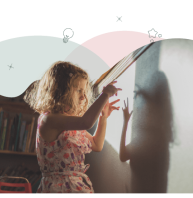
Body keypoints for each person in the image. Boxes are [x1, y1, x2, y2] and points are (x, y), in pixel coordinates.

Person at [23, 61, 122, 194]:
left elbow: (96, 145)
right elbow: (86, 122)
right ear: (60, 90)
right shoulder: (49, 119)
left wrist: (103, 118)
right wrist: (105, 94)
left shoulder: (69, 123)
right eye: (78, 90)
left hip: (77, 186)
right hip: (58, 188)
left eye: (84, 90)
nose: (83, 96)